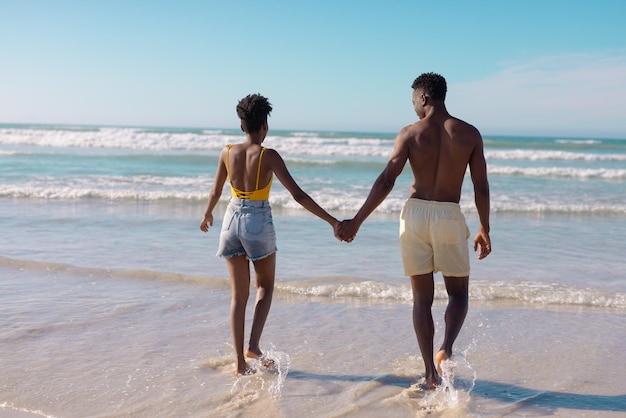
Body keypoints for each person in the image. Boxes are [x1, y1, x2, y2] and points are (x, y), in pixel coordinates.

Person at [338, 73, 491, 389]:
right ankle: (446, 349)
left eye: (413, 102)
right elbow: (481, 187)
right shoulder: (469, 134)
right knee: (458, 293)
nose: (413, 108)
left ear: (424, 98)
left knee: (422, 299)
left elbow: (385, 180)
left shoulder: (410, 134)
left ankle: (429, 375)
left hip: (415, 214)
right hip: (449, 213)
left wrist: (357, 221)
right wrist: (484, 227)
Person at [200, 94, 339, 376]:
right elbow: (298, 195)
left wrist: (207, 213)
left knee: (238, 296)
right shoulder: (268, 155)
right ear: (265, 125)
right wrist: (332, 221)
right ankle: (253, 345)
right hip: (257, 222)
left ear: (242, 126)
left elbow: (215, 190)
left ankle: (240, 363)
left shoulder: (227, 152)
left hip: (229, 220)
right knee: (264, 287)